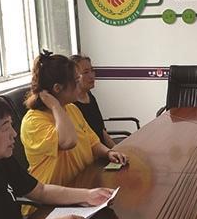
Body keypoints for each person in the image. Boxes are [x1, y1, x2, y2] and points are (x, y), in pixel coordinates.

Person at [21, 51, 126, 192]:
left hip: (83, 184)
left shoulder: (71, 108)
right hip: (54, 196)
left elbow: (92, 142)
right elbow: (68, 142)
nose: (79, 86)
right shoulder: (33, 121)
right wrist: (55, 106)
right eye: (76, 82)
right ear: (57, 88)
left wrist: (108, 152)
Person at [70, 54, 117, 149]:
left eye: (92, 70)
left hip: (103, 149)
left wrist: (115, 149)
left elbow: (101, 130)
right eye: (86, 72)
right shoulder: (71, 105)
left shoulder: (90, 96)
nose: (91, 76)